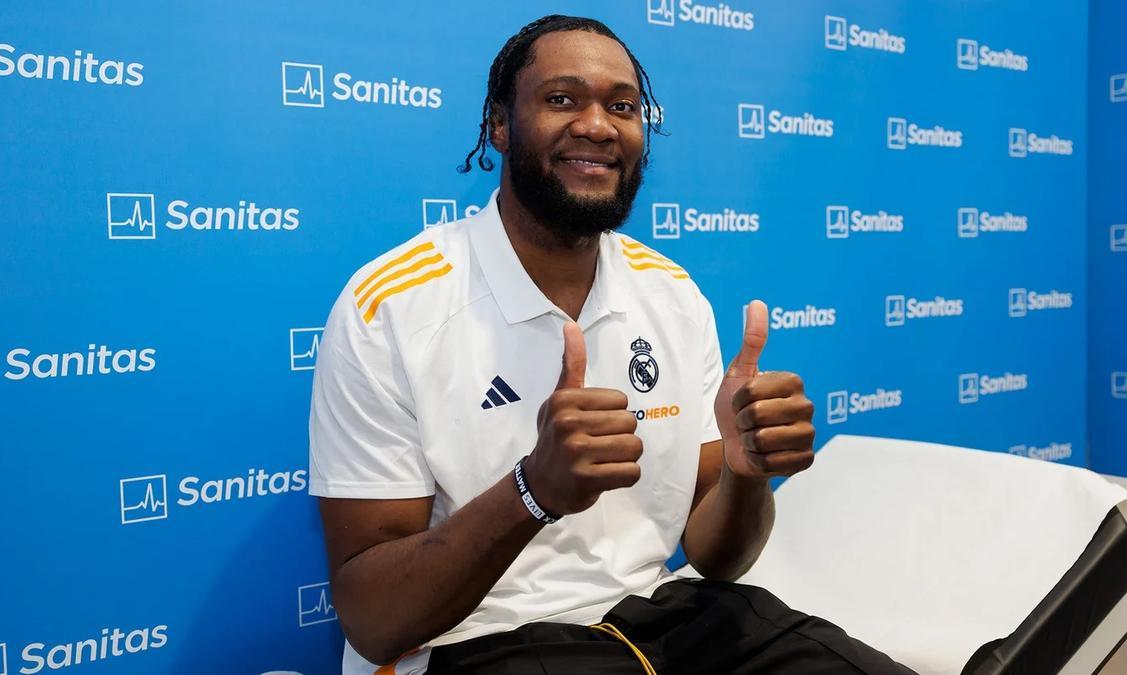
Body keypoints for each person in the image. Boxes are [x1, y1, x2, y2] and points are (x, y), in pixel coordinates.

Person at [309, 14, 917, 675]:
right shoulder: (390, 306)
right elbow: (373, 619)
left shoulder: (672, 292)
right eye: (562, 98)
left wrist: (746, 475)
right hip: (478, 643)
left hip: (657, 620)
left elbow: (717, 556)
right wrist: (531, 490)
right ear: (500, 124)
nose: (598, 124)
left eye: (622, 106)